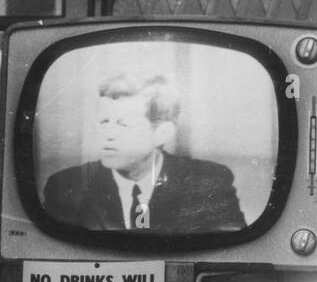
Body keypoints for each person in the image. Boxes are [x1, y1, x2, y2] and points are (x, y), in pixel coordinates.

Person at [42, 72, 245, 233]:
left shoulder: (209, 183)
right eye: (104, 122)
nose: (108, 135)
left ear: (162, 134)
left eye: (123, 124)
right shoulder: (66, 187)